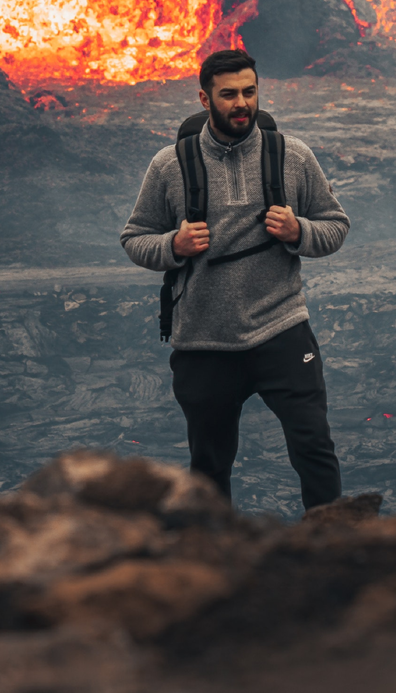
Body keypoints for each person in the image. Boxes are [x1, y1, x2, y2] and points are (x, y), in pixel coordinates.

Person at [120, 48, 350, 511]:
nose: (242, 103)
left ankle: (336, 549)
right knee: (208, 467)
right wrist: (173, 247)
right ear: (204, 99)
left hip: (281, 330)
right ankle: (213, 560)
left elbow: (336, 226)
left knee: (314, 450)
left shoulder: (293, 157)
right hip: (205, 342)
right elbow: (134, 237)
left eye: (249, 92)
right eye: (228, 95)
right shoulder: (170, 166)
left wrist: (299, 231)